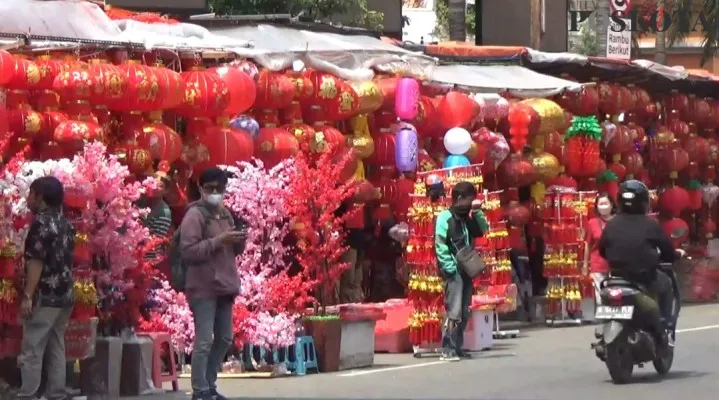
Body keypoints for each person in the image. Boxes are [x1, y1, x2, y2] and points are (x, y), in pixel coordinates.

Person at [179, 168, 247, 400]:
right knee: (205, 340)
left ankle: (209, 383)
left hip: (225, 285)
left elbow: (233, 251)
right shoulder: (194, 216)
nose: (216, 193)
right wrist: (219, 240)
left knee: (225, 338)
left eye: (220, 189)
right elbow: (188, 251)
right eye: (210, 189)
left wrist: (239, 240)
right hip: (203, 286)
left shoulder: (226, 214)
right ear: (200, 188)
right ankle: (200, 391)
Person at [17, 176, 75, 400]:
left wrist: (28, 296)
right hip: (65, 295)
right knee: (56, 345)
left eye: (31, 194)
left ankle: (28, 394)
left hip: (45, 295)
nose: (28, 198)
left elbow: (36, 262)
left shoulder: (41, 225)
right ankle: (56, 394)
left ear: (41, 198)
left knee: (33, 347)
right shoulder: (66, 224)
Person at [598, 180, 676, 345]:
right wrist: (674, 255)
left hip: (616, 278)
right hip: (644, 277)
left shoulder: (611, 225)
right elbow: (667, 250)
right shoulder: (650, 224)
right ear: (644, 202)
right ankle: (665, 327)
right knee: (667, 284)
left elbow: (602, 250)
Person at [434, 181, 489, 361]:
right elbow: (440, 244)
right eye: (469, 198)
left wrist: (478, 212)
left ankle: (458, 346)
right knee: (454, 310)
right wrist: (449, 267)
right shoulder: (445, 217)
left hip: (467, 269)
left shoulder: (467, 218)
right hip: (453, 271)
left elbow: (482, 230)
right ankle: (447, 347)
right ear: (459, 199)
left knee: (464, 310)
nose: (471, 201)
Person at [584, 193, 617, 305]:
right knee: (601, 296)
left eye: (605, 203)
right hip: (598, 264)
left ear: (611, 205)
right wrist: (585, 265)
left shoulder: (618, 221)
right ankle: (604, 316)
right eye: (600, 204)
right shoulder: (592, 223)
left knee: (616, 293)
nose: (603, 206)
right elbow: (587, 245)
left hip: (616, 264)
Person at [141, 171, 173, 265]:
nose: (154, 187)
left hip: (146, 260)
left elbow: (154, 242)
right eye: (152, 182)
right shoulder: (141, 201)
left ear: (166, 191)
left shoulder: (164, 212)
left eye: (160, 186)